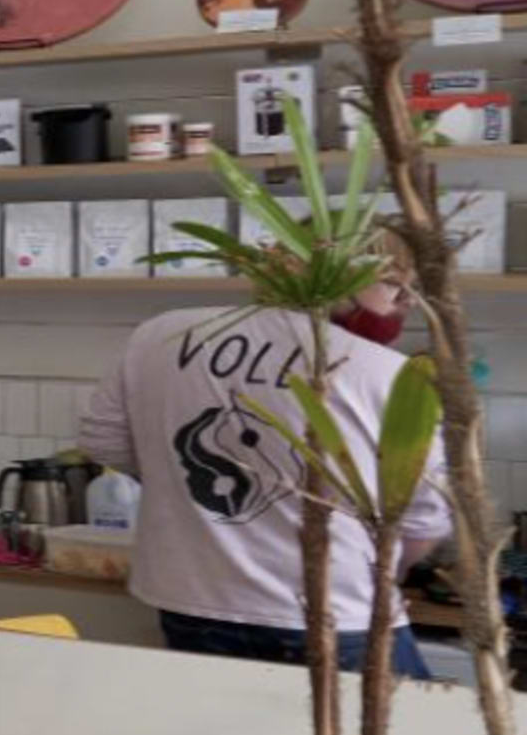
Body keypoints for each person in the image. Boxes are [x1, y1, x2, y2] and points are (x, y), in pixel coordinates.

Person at [79, 250, 450, 676]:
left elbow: (101, 441)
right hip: (338, 612)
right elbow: (424, 520)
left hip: (191, 601)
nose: (406, 302)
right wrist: (392, 568)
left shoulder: (160, 334)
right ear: (337, 276)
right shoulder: (392, 374)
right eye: (395, 285)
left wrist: (180, 481)